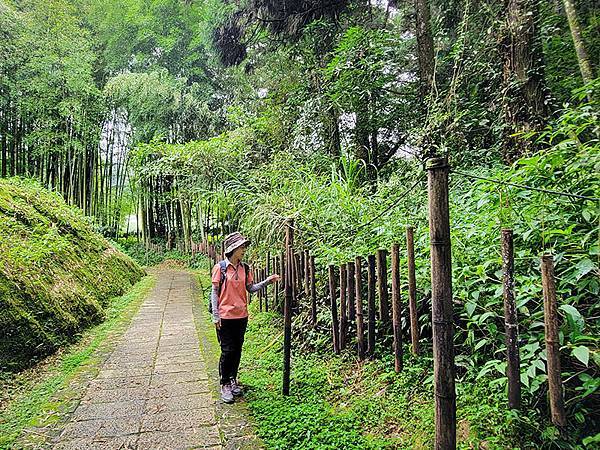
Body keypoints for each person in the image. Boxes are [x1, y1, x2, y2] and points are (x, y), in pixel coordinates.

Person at [211, 231, 280, 404]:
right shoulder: (221, 268)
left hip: (241, 316)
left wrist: (267, 282)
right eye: (241, 247)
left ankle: (233, 378)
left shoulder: (245, 268)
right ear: (233, 249)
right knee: (227, 351)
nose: (244, 250)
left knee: (238, 349)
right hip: (225, 317)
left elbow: (250, 288)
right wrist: (215, 316)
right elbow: (214, 292)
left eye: (244, 247)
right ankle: (224, 383)